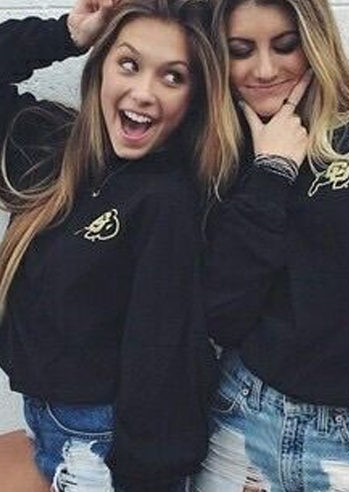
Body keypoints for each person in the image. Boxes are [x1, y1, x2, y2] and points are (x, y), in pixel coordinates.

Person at [0, 0, 237, 489]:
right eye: (129, 64)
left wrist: (143, 473)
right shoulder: (51, 149)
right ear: (100, 68)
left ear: (194, 98)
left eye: (173, 77)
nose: (144, 93)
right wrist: (67, 33)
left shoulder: (167, 198)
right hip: (47, 422)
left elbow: (163, 355)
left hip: (103, 445)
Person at [190, 0, 349, 490]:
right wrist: (271, 174)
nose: (264, 70)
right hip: (240, 424)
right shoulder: (224, 157)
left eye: (285, 45)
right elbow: (221, 315)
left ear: (316, 43)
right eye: (240, 50)